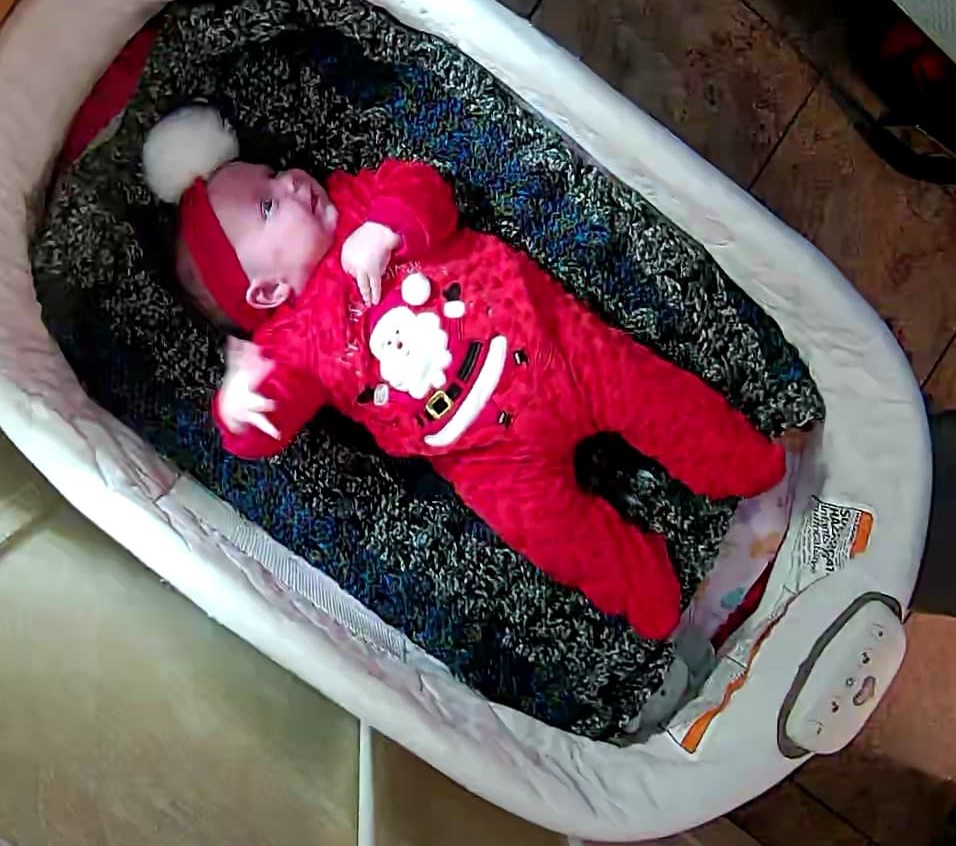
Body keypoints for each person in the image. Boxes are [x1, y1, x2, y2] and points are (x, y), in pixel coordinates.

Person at [143, 105, 790, 641]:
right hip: (487, 454)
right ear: (263, 293)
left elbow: (425, 189)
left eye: (276, 173)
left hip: (552, 343)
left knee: (652, 394)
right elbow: (263, 431)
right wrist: (240, 403)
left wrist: (388, 230)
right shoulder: (292, 345)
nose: (288, 183)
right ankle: (648, 588)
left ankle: (741, 463)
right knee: (548, 532)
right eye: (265, 206)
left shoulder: (360, 199)